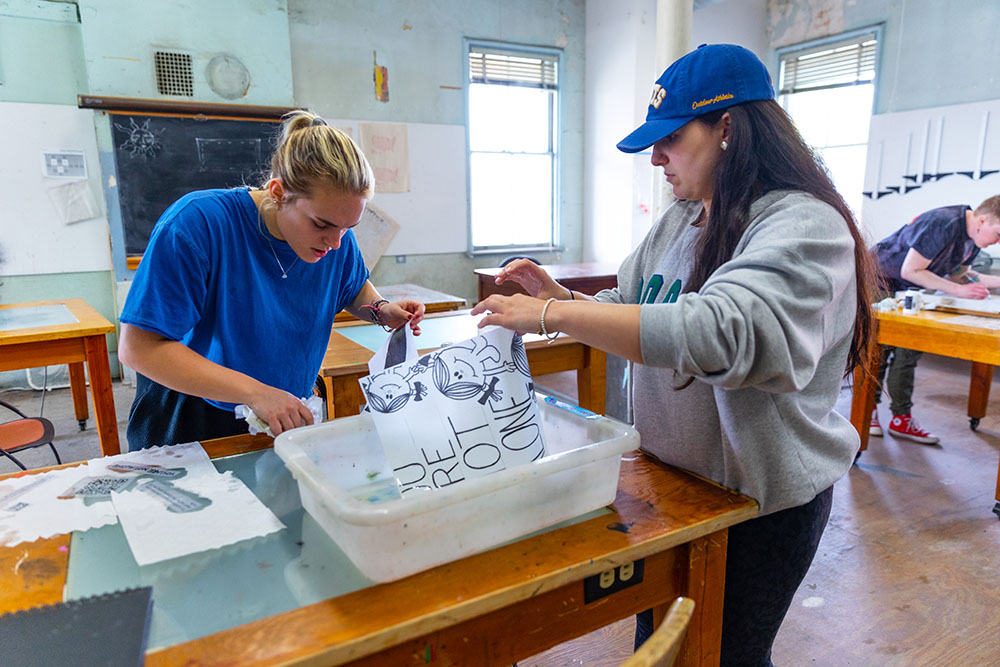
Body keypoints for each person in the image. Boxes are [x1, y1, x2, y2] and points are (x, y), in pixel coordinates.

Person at [471, 43, 877, 667]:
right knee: (665, 645)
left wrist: (553, 315)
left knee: (724, 655)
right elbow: (635, 301)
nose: (656, 157)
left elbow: (719, 332)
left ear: (728, 127)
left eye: (671, 137)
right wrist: (557, 298)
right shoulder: (683, 219)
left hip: (757, 505)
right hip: (674, 488)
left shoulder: (803, 224)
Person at [119, 111, 424, 450]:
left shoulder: (336, 239)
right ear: (278, 192)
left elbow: (352, 288)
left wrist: (381, 310)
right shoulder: (197, 225)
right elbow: (138, 349)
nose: (335, 242)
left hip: (282, 412)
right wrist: (257, 393)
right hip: (193, 414)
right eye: (322, 225)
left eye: (347, 228)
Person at [869, 197, 1000, 443]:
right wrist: (959, 291)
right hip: (880, 279)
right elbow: (911, 270)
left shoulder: (972, 240)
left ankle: (901, 418)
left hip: (911, 289)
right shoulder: (943, 223)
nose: (998, 241)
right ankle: (867, 413)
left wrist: (979, 285)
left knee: (909, 352)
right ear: (983, 220)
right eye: (999, 233)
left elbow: (962, 274)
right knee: (879, 351)